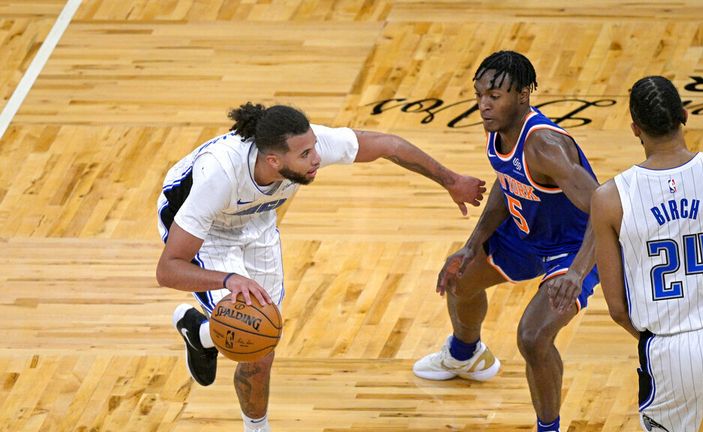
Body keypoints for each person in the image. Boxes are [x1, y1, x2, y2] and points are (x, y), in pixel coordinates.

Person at [155, 102, 486, 432]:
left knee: (261, 334)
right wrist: (229, 279)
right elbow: (169, 269)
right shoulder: (219, 176)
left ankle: (198, 332)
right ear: (273, 161)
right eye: (305, 155)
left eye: (314, 147)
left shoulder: (305, 147)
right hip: (204, 233)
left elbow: (389, 145)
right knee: (257, 342)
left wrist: (451, 179)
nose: (316, 158)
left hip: (255, 220)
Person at [412, 50, 600, 432]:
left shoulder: (545, 146)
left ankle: (549, 428)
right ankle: (466, 355)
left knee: (533, 338)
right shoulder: (497, 129)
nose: (483, 105)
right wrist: (472, 244)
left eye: (493, 97)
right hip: (525, 234)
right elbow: (507, 179)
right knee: (458, 277)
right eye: (479, 95)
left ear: (523, 95)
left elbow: (604, 207)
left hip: (571, 247)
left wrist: (578, 274)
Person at [591, 76, 703, 431]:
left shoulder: (609, 199)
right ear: (684, 115)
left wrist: (663, 340)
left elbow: (616, 308)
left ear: (634, 128)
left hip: (670, 349)